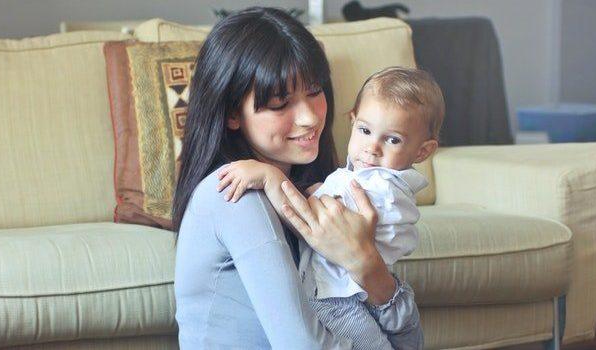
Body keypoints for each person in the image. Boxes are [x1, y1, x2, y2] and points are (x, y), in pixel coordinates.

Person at [172, 7, 422, 349]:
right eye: (280, 104)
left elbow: (412, 342)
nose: (308, 118)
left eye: (315, 91)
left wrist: (366, 264)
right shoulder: (234, 195)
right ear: (232, 113)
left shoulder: (326, 194)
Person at [216, 67, 444, 349]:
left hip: (338, 299)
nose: (372, 147)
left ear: (423, 151)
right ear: (353, 121)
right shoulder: (365, 177)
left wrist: (269, 176)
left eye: (393, 139)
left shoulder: (380, 186)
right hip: (350, 293)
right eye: (365, 130)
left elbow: (310, 222)